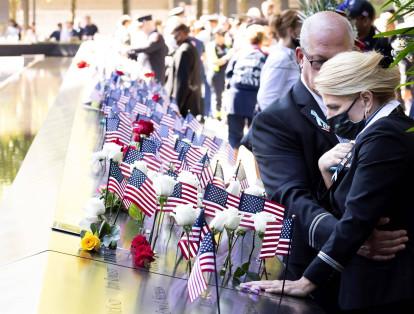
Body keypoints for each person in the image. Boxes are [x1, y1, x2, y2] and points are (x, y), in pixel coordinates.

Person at [247, 11, 408, 313]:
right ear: (300, 56)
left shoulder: (382, 125)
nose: (331, 70)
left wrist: (353, 235)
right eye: (321, 61)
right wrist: (352, 238)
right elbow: (293, 196)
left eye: (341, 59)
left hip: (381, 279)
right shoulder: (274, 120)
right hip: (315, 259)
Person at [225, 24, 267, 157]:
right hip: (254, 99)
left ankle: (232, 170)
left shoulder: (239, 54)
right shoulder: (265, 56)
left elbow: (228, 75)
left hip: (235, 97)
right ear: (261, 40)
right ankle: (255, 174)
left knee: (233, 136)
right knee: (255, 138)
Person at [257, 10, 302, 111]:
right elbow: (266, 98)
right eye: (301, 30)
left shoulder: (288, 55)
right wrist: (280, 123)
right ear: (291, 32)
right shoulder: (281, 58)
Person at [165, 24, 202, 117]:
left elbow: (182, 81)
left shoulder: (184, 51)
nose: (173, 38)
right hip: (189, 101)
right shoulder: (188, 47)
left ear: (181, 34)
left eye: (175, 35)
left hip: (185, 105)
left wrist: (177, 105)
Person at [127, 15, 168, 83]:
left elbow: (148, 48)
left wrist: (129, 50)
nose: (141, 29)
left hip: (154, 75)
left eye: (141, 26)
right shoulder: (148, 36)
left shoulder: (156, 36)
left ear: (146, 24)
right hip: (147, 74)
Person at [206, 29, 230, 120]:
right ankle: (216, 114)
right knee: (217, 95)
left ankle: (221, 113)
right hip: (216, 73)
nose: (221, 38)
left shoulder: (227, 46)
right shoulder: (211, 46)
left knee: (224, 95)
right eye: (219, 35)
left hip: (225, 73)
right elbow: (215, 61)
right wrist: (227, 58)